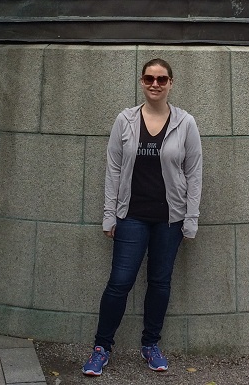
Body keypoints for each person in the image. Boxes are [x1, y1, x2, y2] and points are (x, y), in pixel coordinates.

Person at [82, 58, 203, 377]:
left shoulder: (185, 122)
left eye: (162, 79)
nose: (155, 84)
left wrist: (190, 219)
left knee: (160, 283)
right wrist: (110, 215)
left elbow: (194, 173)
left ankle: (150, 344)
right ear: (141, 81)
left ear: (171, 84)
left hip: (170, 219)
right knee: (119, 283)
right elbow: (113, 169)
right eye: (149, 78)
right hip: (131, 216)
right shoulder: (125, 120)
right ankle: (101, 348)